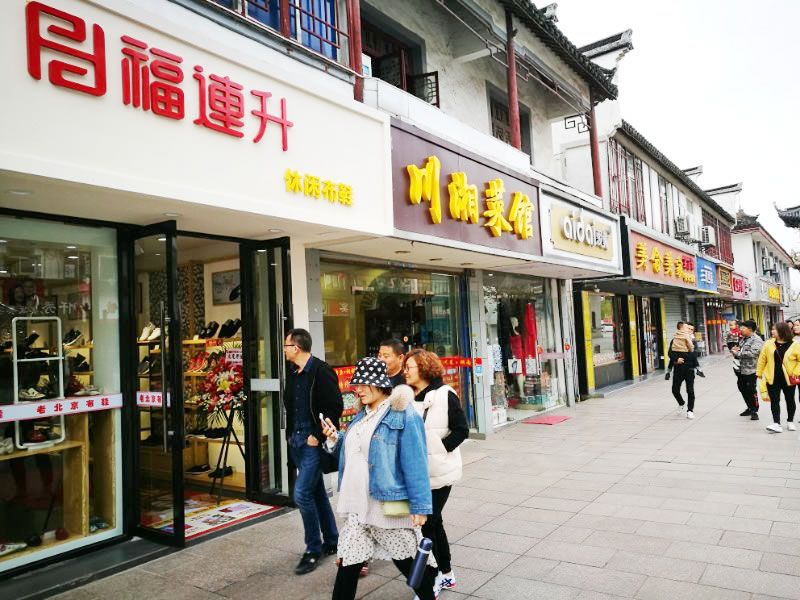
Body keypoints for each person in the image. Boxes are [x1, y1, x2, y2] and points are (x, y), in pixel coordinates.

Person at [320, 357, 437, 600]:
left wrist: (420, 506)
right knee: (349, 565)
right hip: (357, 505)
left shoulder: (403, 414)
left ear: (381, 384)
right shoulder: (361, 414)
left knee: (408, 563)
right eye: (357, 384)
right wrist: (336, 438)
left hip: (383, 504)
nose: (359, 390)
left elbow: (416, 462)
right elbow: (358, 451)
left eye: (365, 384)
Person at [403, 348, 468, 595]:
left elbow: (461, 429)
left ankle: (433, 577)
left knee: (427, 525)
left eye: (409, 367)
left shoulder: (444, 394)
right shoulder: (408, 396)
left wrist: (440, 449)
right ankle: (446, 573)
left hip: (440, 473)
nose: (405, 371)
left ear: (423, 368)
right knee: (434, 523)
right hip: (418, 474)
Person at [283, 328, 343, 575]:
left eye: (286, 346)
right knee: (316, 491)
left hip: (312, 443)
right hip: (296, 442)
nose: (284, 350)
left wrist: (317, 436)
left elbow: (335, 407)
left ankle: (313, 549)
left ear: (296, 347)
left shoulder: (320, 371)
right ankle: (332, 539)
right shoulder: (293, 372)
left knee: (302, 494)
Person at [756, 321, 800, 434]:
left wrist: (796, 372)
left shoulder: (795, 344)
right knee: (774, 401)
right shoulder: (768, 343)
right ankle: (776, 423)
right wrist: (759, 373)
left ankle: (790, 421)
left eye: (774, 329)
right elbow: (762, 359)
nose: (772, 331)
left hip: (789, 378)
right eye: (772, 329)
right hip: (772, 377)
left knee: (790, 400)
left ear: (782, 331)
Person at [731, 320, 763, 420]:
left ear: (750, 329)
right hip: (740, 369)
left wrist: (737, 353)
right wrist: (736, 350)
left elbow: (753, 353)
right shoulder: (743, 339)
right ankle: (749, 407)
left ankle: (754, 410)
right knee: (742, 388)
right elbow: (742, 350)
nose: (740, 329)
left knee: (751, 390)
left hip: (750, 370)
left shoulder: (756, 339)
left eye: (743, 327)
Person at [669, 322, 698, 419]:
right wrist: (676, 359)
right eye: (688, 329)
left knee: (690, 390)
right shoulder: (675, 339)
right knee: (675, 390)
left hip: (689, 369)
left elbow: (694, 354)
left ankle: (690, 410)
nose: (690, 331)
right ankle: (681, 403)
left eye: (692, 329)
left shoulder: (693, 341)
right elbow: (670, 353)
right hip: (678, 369)